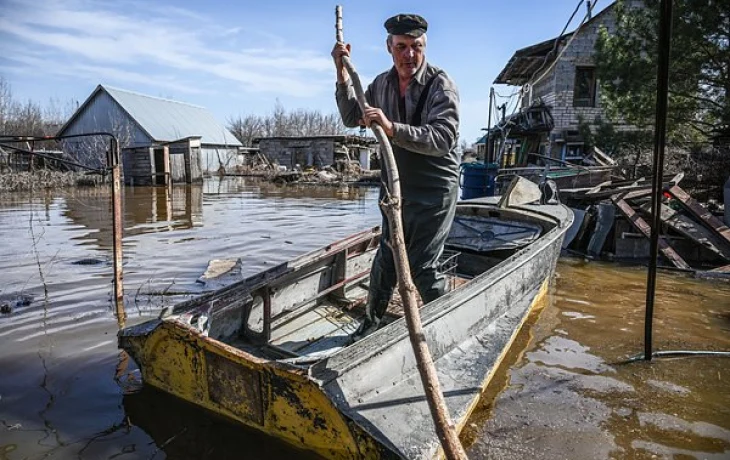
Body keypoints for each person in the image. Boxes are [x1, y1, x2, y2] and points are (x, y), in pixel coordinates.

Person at [332, 13, 460, 340]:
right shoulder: (380, 85)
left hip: (434, 187)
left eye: (416, 47)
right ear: (389, 47)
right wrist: (341, 72)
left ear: (424, 47)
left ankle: (447, 330)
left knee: (422, 267)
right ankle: (369, 327)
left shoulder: (440, 84)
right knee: (385, 258)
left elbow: (442, 138)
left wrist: (391, 128)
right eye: (402, 47)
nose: (409, 55)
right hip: (395, 185)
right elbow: (350, 117)